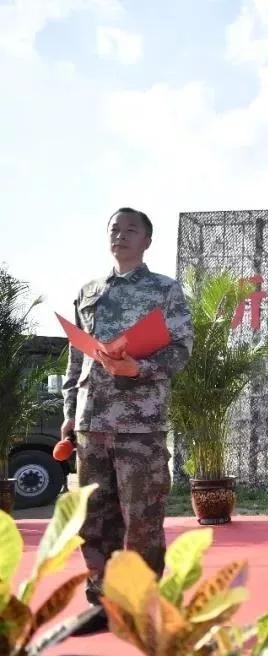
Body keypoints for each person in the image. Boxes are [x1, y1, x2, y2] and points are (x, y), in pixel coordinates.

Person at [62, 208, 193, 636]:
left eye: (130, 230)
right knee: (95, 519)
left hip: (141, 424)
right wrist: (69, 416)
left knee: (142, 518)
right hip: (91, 421)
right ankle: (102, 603)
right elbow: (75, 359)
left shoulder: (165, 290)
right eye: (114, 230)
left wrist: (140, 369)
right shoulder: (88, 290)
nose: (120, 236)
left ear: (147, 241)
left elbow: (180, 350)